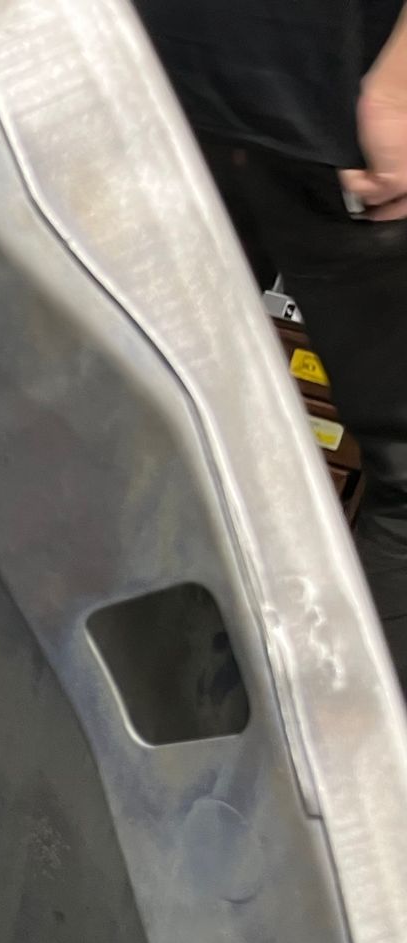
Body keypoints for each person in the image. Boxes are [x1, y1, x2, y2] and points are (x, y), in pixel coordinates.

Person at [135, 0, 407, 675]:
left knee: (149, 415)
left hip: (155, 69)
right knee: (141, 417)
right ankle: (342, 769)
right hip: (336, 101)